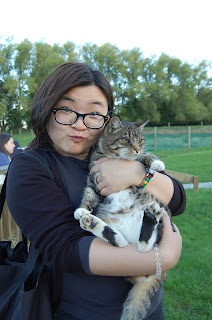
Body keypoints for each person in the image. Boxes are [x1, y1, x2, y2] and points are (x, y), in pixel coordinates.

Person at [6, 63, 185, 320]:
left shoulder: (115, 151)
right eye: (67, 109)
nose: (80, 124)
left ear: (106, 119)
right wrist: (161, 259)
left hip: (149, 306)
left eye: (93, 114)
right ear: (46, 109)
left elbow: (177, 200)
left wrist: (138, 175)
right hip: (82, 312)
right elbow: (66, 249)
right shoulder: (30, 168)